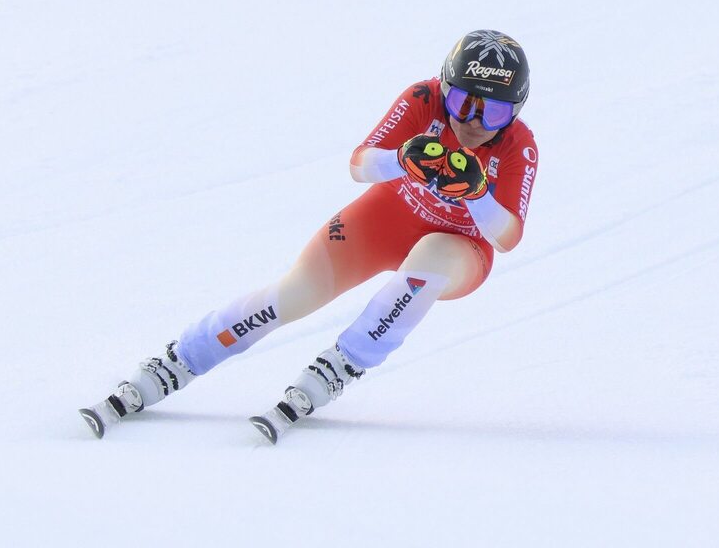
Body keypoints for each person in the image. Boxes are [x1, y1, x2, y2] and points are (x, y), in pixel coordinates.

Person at [79, 29, 540, 444]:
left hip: (460, 248)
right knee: (294, 294)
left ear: (514, 112)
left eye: (495, 111)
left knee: (429, 261)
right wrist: (401, 159)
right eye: (462, 103)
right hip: (387, 217)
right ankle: (178, 360)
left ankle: (340, 366)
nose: (475, 121)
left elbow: (506, 237)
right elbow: (360, 165)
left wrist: (478, 195)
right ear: (444, 89)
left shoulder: (519, 145)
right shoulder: (423, 97)